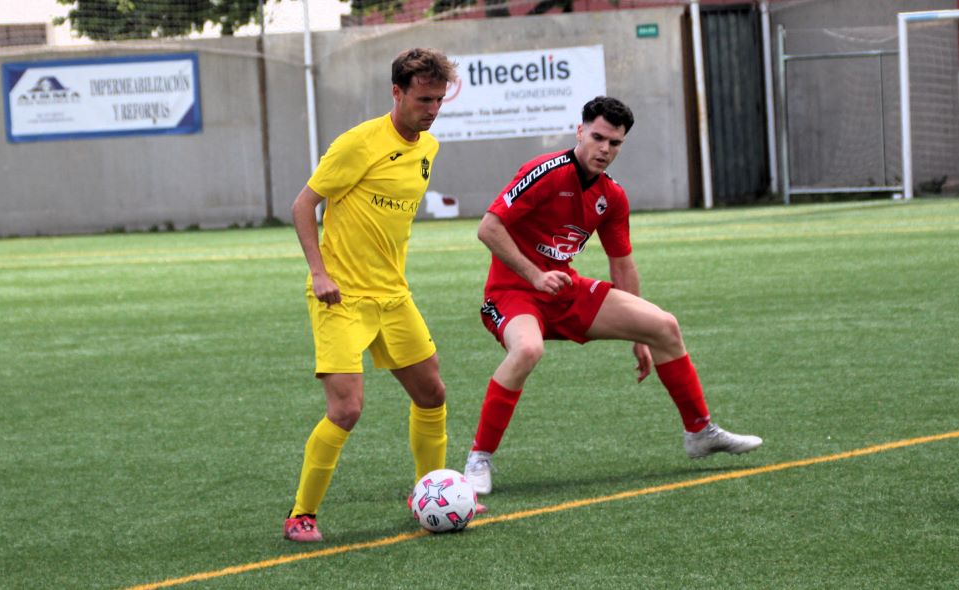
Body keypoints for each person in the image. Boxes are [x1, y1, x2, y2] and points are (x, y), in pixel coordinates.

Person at [463, 96, 762, 495]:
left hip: (563, 291)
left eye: (614, 143)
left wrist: (639, 337)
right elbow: (488, 227)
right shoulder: (545, 172)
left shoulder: (612, 196)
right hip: (512, 293)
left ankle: (700, 433)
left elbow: (622, 264)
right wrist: (535, 276)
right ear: (580, 131)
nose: (604, 149)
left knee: (663, 326)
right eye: (598, 138)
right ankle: (479, 458)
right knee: (528, 350)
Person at [284, 48, 459, 542]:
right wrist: (319, 273)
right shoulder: (358, 143)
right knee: (346, 409)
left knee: (432, 394)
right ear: (397, 92)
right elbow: (303, 206)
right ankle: (301, 515)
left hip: (393, 296)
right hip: (340, 297)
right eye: (423, 99)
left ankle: (429, 494)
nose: (432, 109)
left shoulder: (428, 148)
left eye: (439, 100)